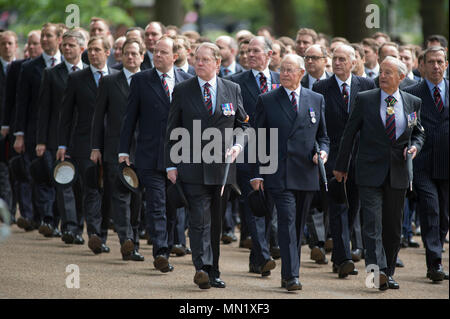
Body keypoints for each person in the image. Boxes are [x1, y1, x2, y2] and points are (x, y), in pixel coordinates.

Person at [333, 56, 425, 290]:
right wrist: (341, 166)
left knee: (393, 227)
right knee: (372, 224)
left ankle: (388, 272)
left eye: (388, 73)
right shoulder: (366, 100)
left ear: (401, 77)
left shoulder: (413, 102)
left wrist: (415, 146)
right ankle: (375, 272)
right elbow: (349, 133)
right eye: (381, 72)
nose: (381, 77)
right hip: (369, 171)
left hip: (399, 172)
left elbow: (418, 132)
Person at [165, 42, 249, 289]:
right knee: (199, 218)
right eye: (196, 59)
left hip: (223, 170)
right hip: (192, 167)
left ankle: (214, 271)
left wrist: (238, 146)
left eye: (204, 60)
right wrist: (170, 164)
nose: (198, 63)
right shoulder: (182, 90)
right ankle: (202, 267)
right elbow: (171, 130)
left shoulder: (232, 89)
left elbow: (243, 125)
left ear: (217, 63)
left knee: (215, 221)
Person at [251, 53, 329, 291]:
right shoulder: (267, 99)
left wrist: (323, 153)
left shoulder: (315, 99)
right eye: (282, 70)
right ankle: (292, 275)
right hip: (278, 173)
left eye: (289, 70)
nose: (284, 74)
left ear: (301, 73)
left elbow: (323, 136)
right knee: (286, 221)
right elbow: (257, 139)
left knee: (296, 227)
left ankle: (289, 274)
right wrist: (257, 173)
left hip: (306, 172)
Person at [119, 36, 192, 271]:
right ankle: (161, 252)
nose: (157, 55)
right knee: (156, 204)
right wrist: (123, 150)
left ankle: (169, 244)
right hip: (150, 154)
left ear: (175, 56)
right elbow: (129, 118)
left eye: (163, 52)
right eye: (155, 52)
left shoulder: (188, 81)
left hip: (179, 156)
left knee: (173, 206)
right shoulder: (141, 80)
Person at [313, 44, 376, 278]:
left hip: (360, 157)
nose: (337, 62)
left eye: (342, 59)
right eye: (335, 59)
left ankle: (339, 257)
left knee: (353, 209)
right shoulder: (322, 87)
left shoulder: (367, 85)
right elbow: (320, 125)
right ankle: (344, 258)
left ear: (353, 62)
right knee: (338, 206)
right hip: (334, 157)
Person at [58, 36, 119, 254]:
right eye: (90, 50)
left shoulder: (117, 77)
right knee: (91, 188)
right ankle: (94, 234)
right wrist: (62, 144)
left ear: (107, 52)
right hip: (84, 142)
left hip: (112, 143)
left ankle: (102, 232)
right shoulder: (76, 78)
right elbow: (65, 115)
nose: (93, 54)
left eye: (97, 50)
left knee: (109, 190)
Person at [228, 36, 280, 276]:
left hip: (277, 155)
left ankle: (256, 258)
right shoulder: (234, 82)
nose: (250, 55)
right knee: (253, 204)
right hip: (248, 152)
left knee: (269, 207)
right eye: (247, 52)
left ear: (270, 55)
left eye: (256, 51)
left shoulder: (282, 81)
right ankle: (265, 255)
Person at [92, 38, 146, 261]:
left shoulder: (150, 80)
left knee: (137, 197)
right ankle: (126, 241)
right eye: (127, 53)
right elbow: (98, 116)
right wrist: (96, 146)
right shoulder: (109, 81)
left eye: (135, 53)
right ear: (120, 56)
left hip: (144, 148)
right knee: (120, 195)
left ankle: (134, 237)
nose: (131, 57)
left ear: (142, 56)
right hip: (116, 147)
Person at [36, 30, 86, 243]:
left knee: (82, 187)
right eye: (64, 45)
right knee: (64, 183)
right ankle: (70, 228)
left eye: (71, 45)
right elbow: (43, 109)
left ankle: (80, 227)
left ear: (81, 49)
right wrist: (41, 140)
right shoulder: (51, 74)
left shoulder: (92, 74)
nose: (66, 49)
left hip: (84, 139)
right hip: (59, 139)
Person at [404, 46, 449, 282]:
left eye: (440, 62)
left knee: (444, 216)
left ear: (446, 64)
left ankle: (437, 251)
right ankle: (435, 263)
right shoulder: (413, 93)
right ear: (422, 66)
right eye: (431, 62)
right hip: (422, 162)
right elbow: (410, 127)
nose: (435, 66)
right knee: (430, 209)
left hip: (447, 163)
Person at [13, 23, 63, 234]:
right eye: (42, 36)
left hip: (63, 132)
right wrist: (19, 134)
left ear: (59, 39)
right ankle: (46, 219)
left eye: (48, 36)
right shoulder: (29, 68)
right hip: (36, 132)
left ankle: (54, 219)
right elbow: (21, 103)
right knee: (41, 176)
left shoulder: (73, 67)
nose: (44, 40)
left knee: (59, 177)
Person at [0, 30, 41, 229]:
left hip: (41, 129)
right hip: (20, 127)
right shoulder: (19, 67)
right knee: (20, 171)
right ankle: (25, 214)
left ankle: (35, 215)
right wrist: (11, 127)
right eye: (30, 44)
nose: (32, 48)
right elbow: (14, 100)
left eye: (36, 43)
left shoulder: (50, 68)